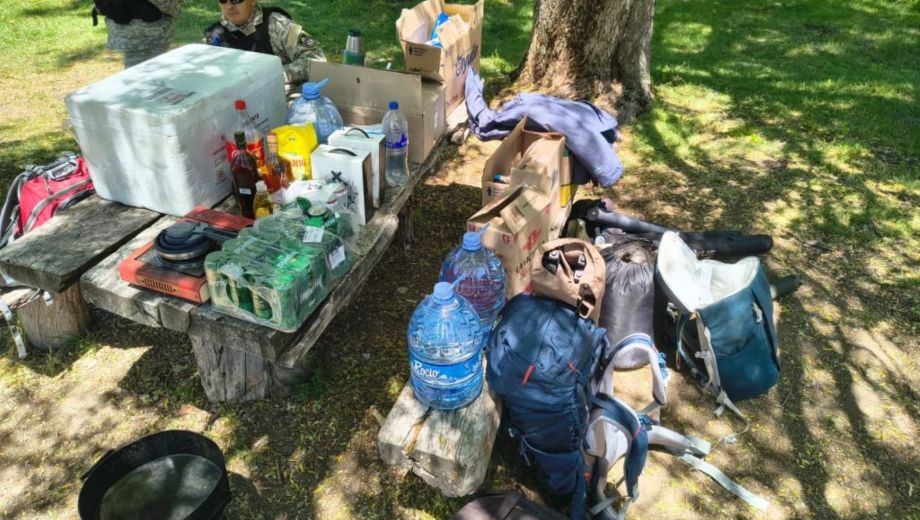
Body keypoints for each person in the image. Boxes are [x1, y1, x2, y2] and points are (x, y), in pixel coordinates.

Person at [204, 0, 326, 95]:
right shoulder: (215, 35)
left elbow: (316, 60)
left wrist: (273, 75)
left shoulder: (278, 25)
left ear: (253, 1)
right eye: (223, 0)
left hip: (281, 99)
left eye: (236, 0)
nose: (229, 6)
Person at [93, 0, 182, 68]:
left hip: (122, 30)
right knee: (146, 77)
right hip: (148, 33)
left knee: (138, 74)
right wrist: (176, 9)